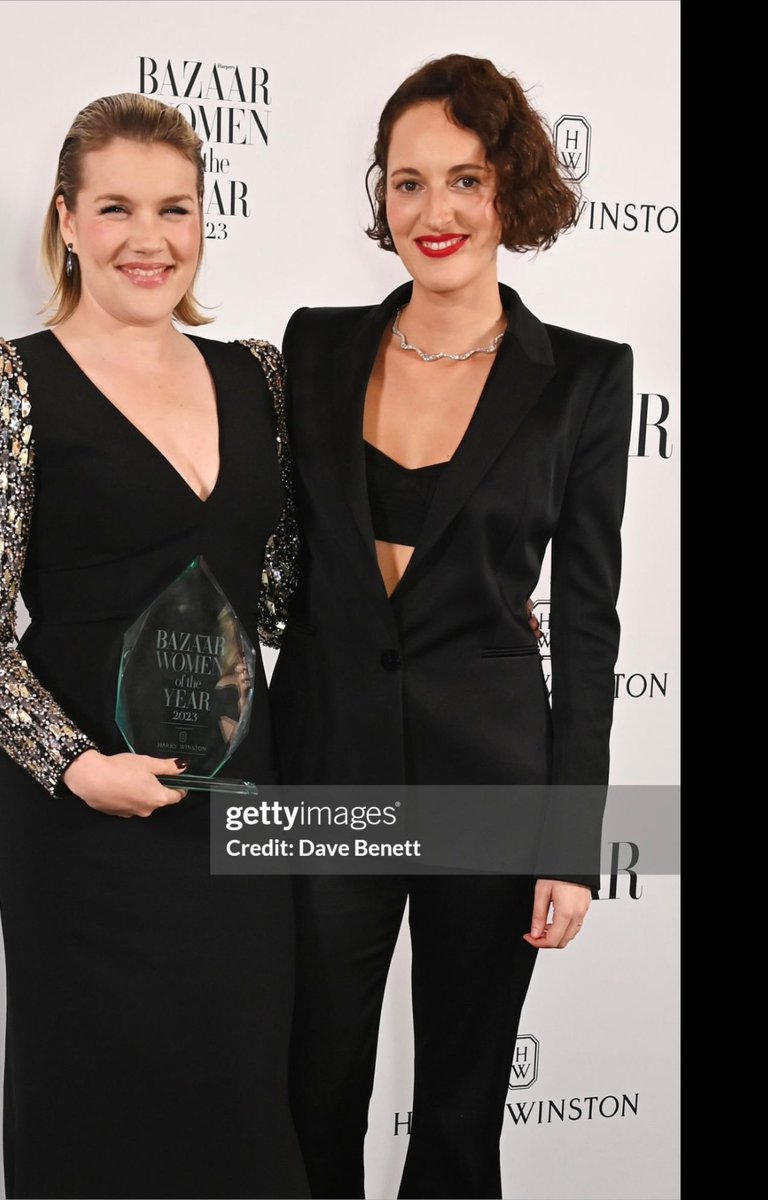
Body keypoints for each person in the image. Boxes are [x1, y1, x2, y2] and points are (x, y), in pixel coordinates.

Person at [0, 92, 309, 1200]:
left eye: (176, 208)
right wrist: (76, 765)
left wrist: (449, 601)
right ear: (69, 220)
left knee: (240, 1092)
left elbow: (282, 596)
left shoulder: (257, 374)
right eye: (117, 207)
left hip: (241, 801)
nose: (151, 238)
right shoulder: (4, 378)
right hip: (81, 823)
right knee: (98, 1100)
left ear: (203, 221)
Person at [269, 54, 633, 1199]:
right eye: (408, 182)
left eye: (465, 181)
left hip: (490, 785)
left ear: (509, 190)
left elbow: (587, 623)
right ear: (382, 196)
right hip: (326, 773)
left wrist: (571, 841)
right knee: (309, 1092)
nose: (435, 213)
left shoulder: (582, 377)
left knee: (460, 1114)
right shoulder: (317, 347)